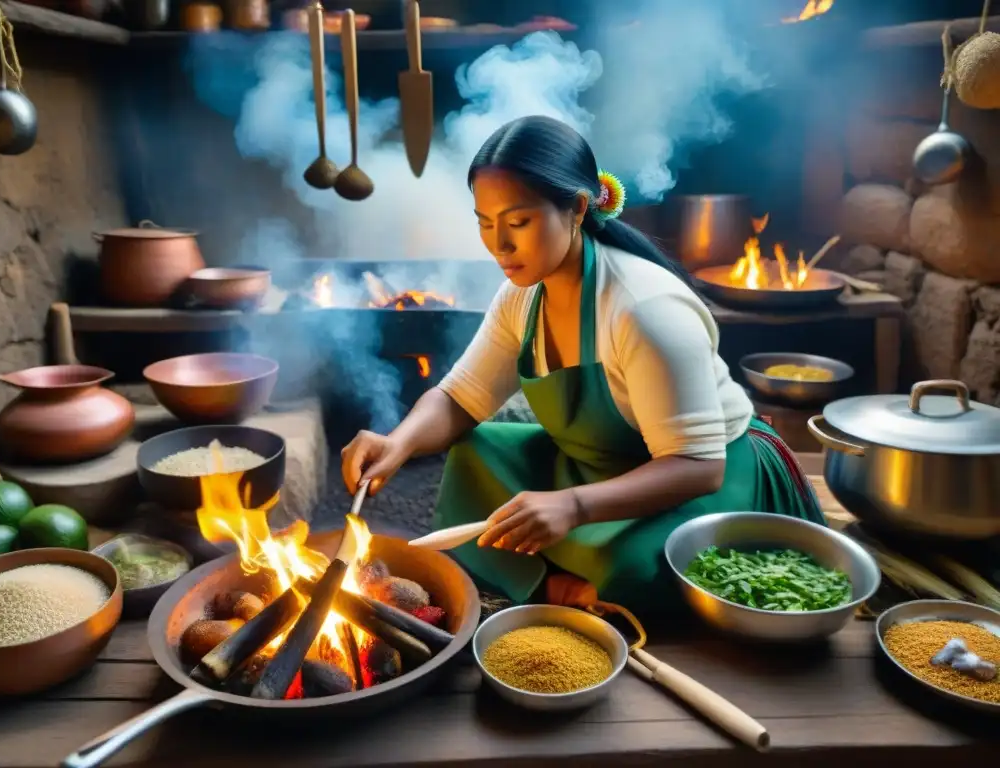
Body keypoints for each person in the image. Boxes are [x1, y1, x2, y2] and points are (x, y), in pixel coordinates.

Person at [341, 115, 824, 613]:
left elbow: (699, 468)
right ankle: (565, 580)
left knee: (632, 565)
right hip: (596, 465)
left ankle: (564, 582)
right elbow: (458, 399)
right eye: (486, 224)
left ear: (575, 208)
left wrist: (571, 506)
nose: (499, 245)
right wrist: (397, 441)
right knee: (473, 454)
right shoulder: (521, 297)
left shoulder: (643, 308)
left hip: (698, 480)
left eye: (518, 222)